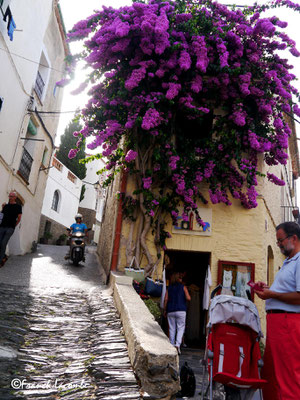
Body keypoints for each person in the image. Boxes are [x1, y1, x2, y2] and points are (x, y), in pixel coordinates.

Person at [254, 221, 300, 400]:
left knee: (288, 376)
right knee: (271, 374)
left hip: (288, 323)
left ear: (293, 238)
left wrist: (272, 294)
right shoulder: (289, 262)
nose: (279, 244)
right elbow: (283, 292)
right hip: (278, 323)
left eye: (280, 240)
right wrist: (267, 289)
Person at [163, 271, 191, 354]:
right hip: (181, 310)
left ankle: (171, 345)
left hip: (171, 310)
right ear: (178, 278)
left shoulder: (169, 288)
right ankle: (177, 345)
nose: (181, 279)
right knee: (180, 328)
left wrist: (165, 310)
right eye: (180, 277)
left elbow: (166, 299)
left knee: (172, 328)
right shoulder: (183, 287)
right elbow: (189, 298)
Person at [0, 191, 22, 266]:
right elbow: (2, 215)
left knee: (3, 243)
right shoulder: (5, 206)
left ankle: (0, 261)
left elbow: (19, 218)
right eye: (9, 196)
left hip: (10, 228)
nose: (10, 197)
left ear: (15, 197)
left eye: (12, 196)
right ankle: (3, 257)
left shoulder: (18, 207)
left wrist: (13, 226)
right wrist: (2, 207)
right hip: (2, 227)